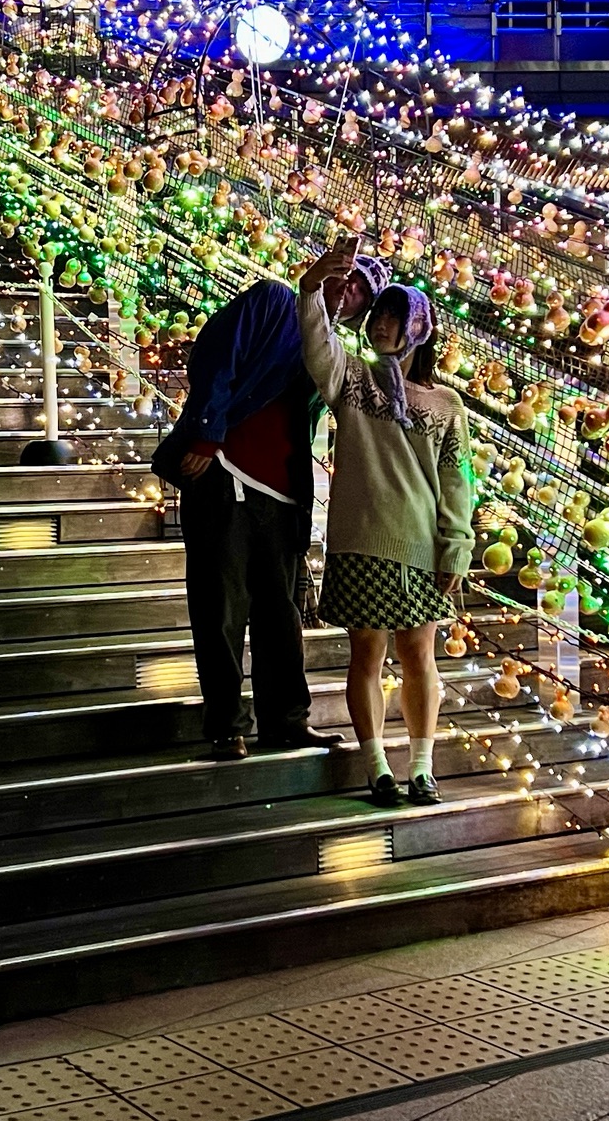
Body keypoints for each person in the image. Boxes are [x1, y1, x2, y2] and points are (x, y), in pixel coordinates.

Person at [153, 253, 389, 760]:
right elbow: (216, 356)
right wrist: (207, 433)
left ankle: (286, 721)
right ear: (326, 272)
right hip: (225, 475)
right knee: (220, 606)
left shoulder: (330, 349)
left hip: (284, 494)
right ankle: (226, 725)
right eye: (348, 280)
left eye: (362, 295)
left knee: (281, 614)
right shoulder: (275, 300)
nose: (350, 293)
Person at [299, 237, 474, 807]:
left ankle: (422, 768)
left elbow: (457, 483)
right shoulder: (351, 379)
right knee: (367, 655)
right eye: (379, 317)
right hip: (359, 542)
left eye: (396, 319)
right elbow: (318, 343)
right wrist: (312, 289)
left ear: (417, 328)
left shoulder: (446, 404)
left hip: (421, 548)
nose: (382, 327)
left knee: (420, 654)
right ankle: (377, 767)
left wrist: (457, 547)